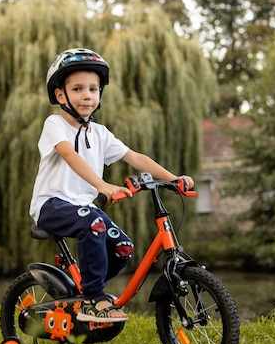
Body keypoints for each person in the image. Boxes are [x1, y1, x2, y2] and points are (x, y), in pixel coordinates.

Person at [30, 48, 194, 323]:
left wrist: (173, 178)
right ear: (61, 96)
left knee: (123, 248)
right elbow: (69, 155)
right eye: (78, 88)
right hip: (52, 204)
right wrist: (103, 185)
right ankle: (93, 299)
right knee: (94, 223)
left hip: (83, 207)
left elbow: (135, 157)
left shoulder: (101, 133)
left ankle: (84, 291)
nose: (87, 95)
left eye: (93, 89)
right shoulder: (54, 124)